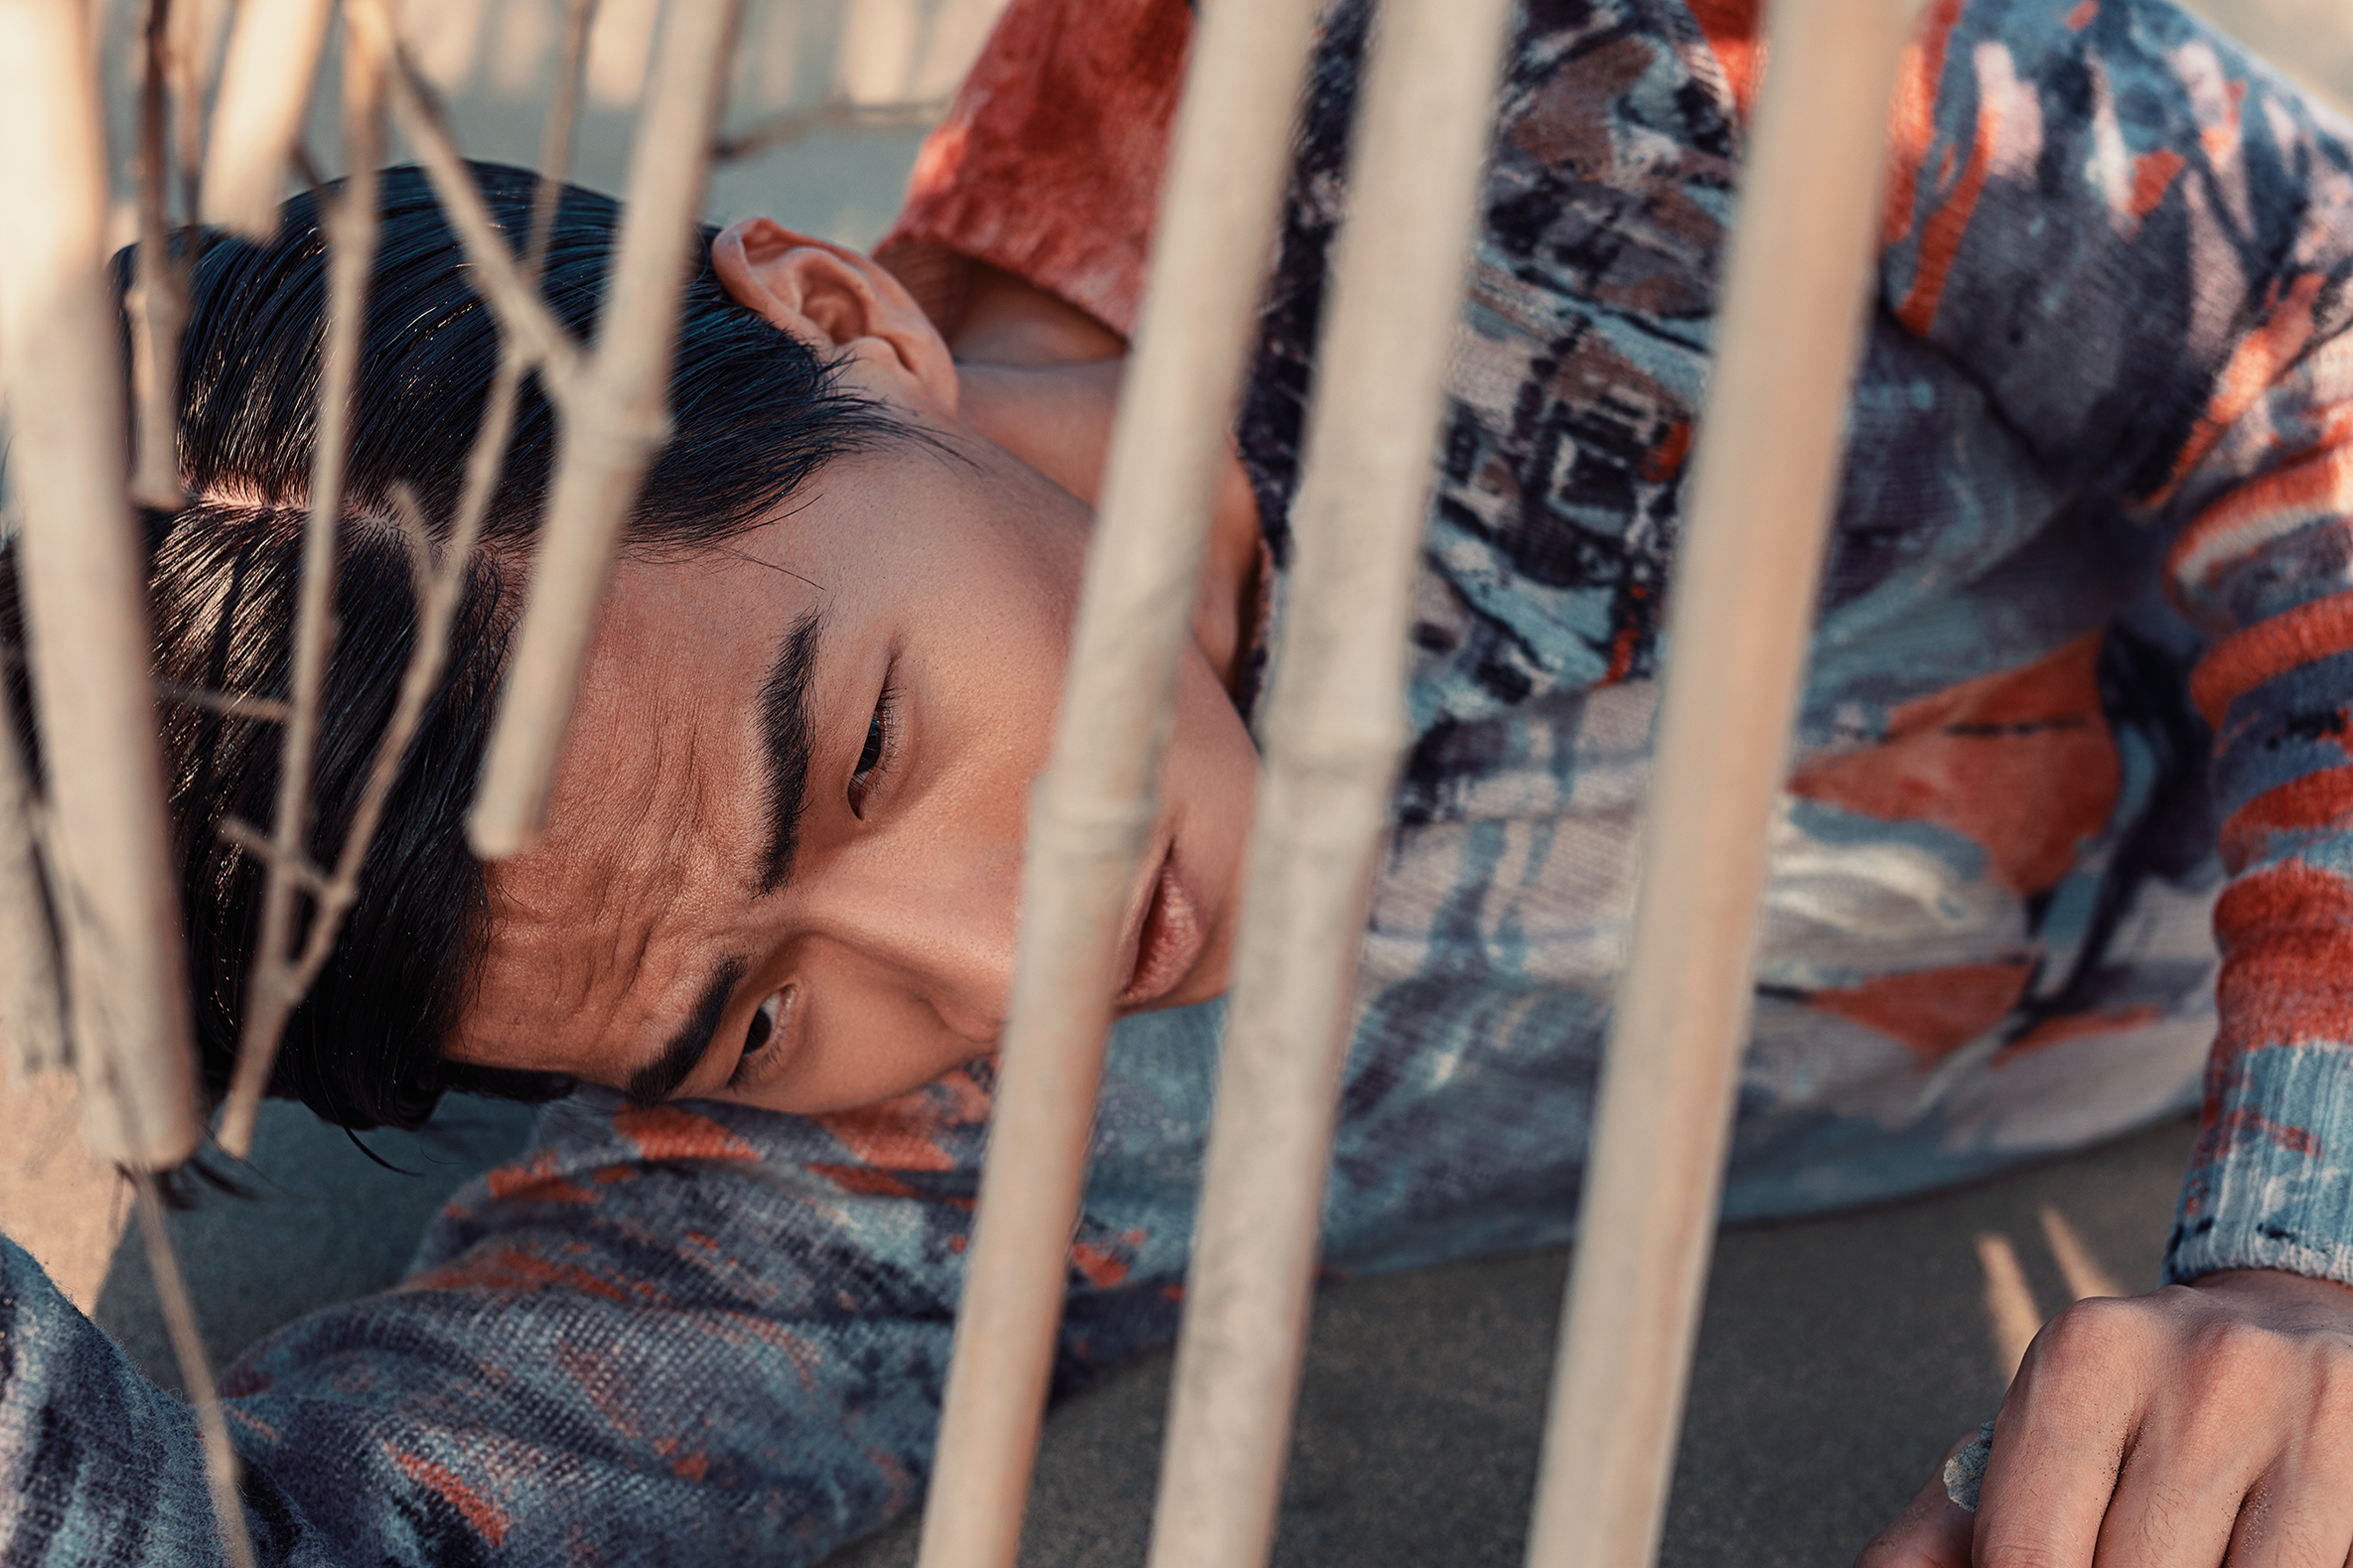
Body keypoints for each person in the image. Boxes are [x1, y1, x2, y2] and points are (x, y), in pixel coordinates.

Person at [3, 0, 2352, 1561]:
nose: (1000, 967)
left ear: (837, 315)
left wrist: (2294, 1243)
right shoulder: (852, 1167)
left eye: (866, 753)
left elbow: (2304, 337)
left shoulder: (1549, 77)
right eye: (748, 1015)